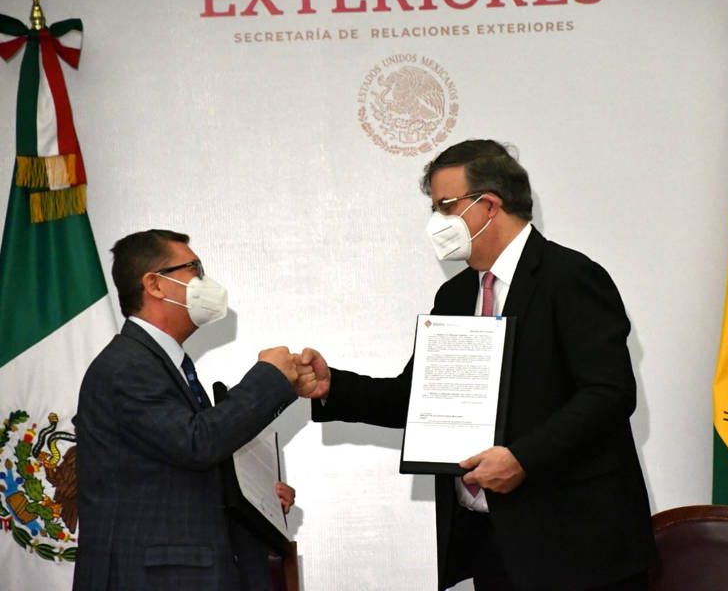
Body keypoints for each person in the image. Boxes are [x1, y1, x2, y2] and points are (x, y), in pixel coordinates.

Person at [300, 140, 656, 590]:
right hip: (494, 544)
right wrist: (333, 387)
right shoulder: (454, 296)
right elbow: (419, 399)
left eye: (445, 207)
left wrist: (523, 459)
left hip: (579, 548)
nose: (437, 222)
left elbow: (609, 394)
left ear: (489, 204)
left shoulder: (570, 277)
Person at [74, 229, 310, 591]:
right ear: (154, 284)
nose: (205, 281)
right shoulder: (126, 366)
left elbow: (181, 463)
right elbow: (197, 442)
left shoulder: (165, 366)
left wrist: (256, 494)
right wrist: (269, 376)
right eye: (194, 269)